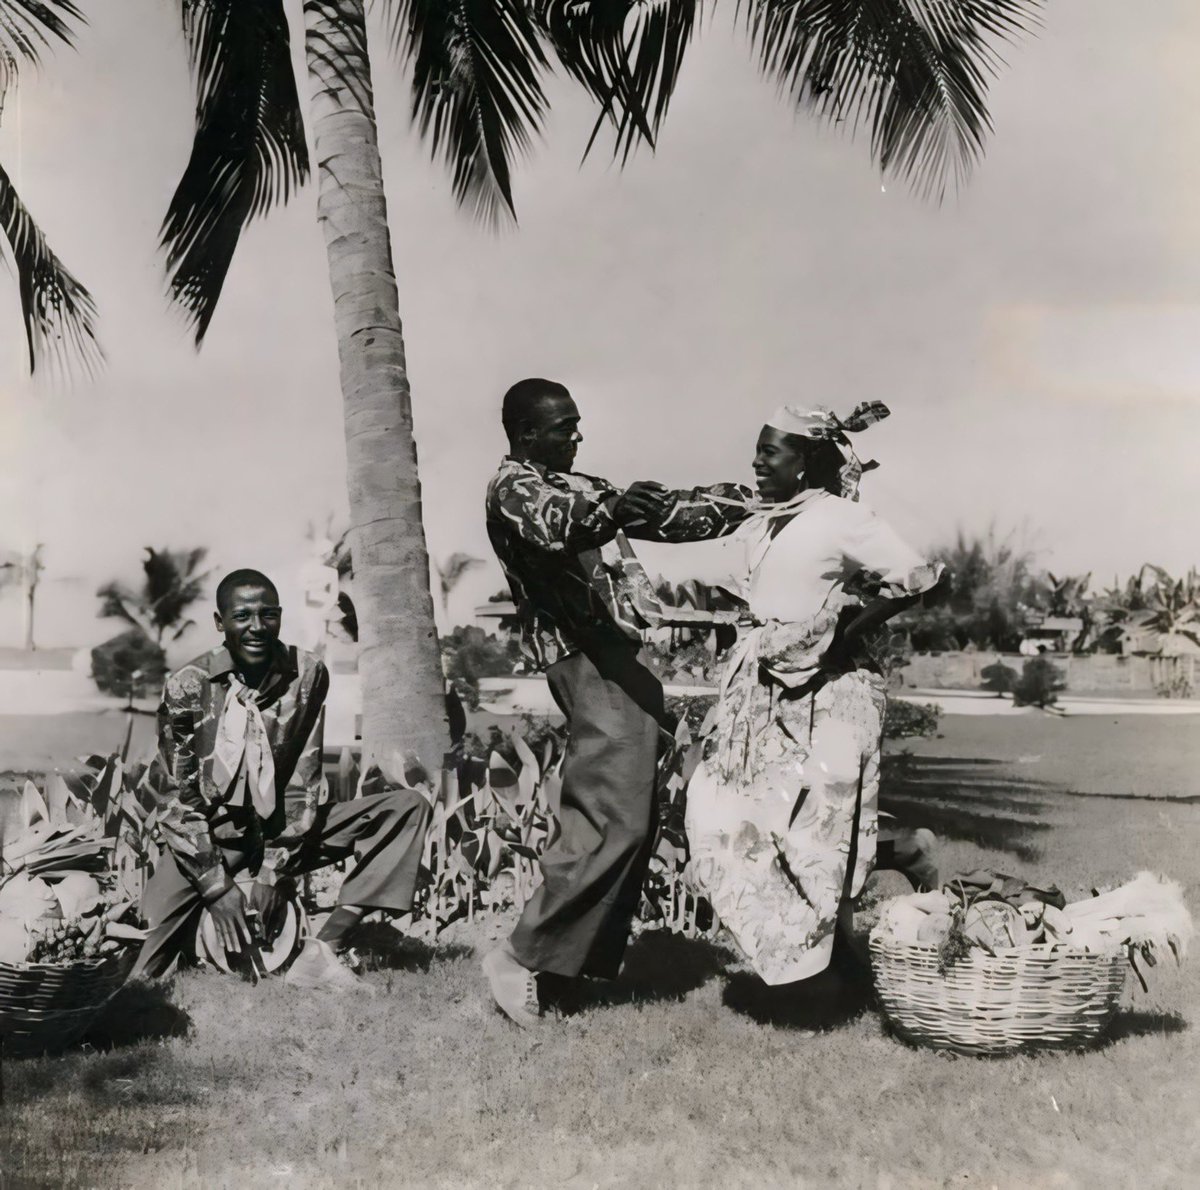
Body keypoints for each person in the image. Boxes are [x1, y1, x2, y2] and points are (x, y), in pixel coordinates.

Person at [481, 378, 753, 1026]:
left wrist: (769, 498)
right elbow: (563, 525)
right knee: (612, 819)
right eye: (563, 427)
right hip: (583, 657)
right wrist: (619, 508)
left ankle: (564, 971)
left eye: (578, 424)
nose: (577, 435)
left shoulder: (581, 484)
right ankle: (520, 955)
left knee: (625, 817)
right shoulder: (515, 488)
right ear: (527, 434)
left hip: (616, 657)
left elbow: (668, 515)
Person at [685, 403, 944, 986]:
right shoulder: (762, 522)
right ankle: (901, 854)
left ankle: (823, 972)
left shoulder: (841, 519)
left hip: (831, 692)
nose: (757, 460)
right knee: (726, 809)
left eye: (770, 451)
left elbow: (917, 575)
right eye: (757, 448)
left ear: (804, 462)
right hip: (760, 690)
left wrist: (841, 632)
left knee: (813, 829)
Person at [132, 569, 432, 991]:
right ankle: (197, 935)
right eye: (242, 616)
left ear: (279, 617)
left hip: (282, 828)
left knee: (406, 808)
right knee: (141, 973)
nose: (257, 627)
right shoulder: (188, 687)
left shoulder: (306, 673)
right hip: (216, 838)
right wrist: (216, 888)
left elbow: (302, 780)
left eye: (267, 614)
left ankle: (324, 948)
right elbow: (176, 804)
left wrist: (274, 870)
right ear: (220, 623)